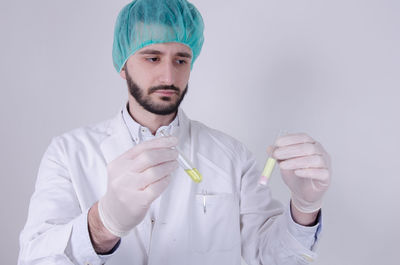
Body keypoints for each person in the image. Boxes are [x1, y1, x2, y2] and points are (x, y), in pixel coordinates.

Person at [18, 0, 331, 264]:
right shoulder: (69, 154)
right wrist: (102, 223)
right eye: (152, 57)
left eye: (181, 59)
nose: (169, 75)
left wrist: (303, 209)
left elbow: (269, 258)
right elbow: (34, 258)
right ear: (123, 64)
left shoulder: (232, 157)